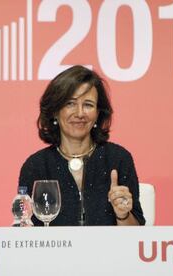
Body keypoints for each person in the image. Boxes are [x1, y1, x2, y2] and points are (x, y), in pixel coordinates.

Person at [18, 65, 145, 226]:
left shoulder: (117, 159)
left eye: (88, 105)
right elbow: (24, 232)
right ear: (55, 111)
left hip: (109, 251)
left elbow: (137, 236)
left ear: (98, 113)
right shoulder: (36, 166)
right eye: (70, 103)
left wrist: (122, 215)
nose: (79, 113)